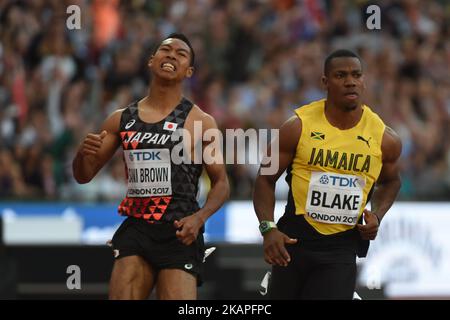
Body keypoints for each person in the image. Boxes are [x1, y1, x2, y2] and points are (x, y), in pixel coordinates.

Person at [72, 33, 229, 300]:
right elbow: (84, 175)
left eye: (180, 54)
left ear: (188, 71)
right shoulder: (121, 119)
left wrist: (199, 219)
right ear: (151, 61)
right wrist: (80, 155)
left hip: (179, 230)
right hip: (138, 228)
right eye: (165, 50)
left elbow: (222, 183)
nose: (171, 55)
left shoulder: (200, 122)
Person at [253, 49, 402, 299]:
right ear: (325, 82)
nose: (350, 81)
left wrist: (377, 214)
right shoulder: (297, 127)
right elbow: (265, 179)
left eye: (356, 75)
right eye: (340, 75)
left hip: (340, 248)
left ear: (363, 81)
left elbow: (392, 181)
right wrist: (268, 229)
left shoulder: (385, 138)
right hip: (293, 243)